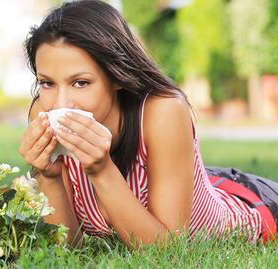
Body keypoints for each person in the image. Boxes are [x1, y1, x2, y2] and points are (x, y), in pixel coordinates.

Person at [18, 0, 278, 249]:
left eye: (81, 83)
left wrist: (101, 170)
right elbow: (65, 248)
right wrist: (49, 176)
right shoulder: (43, 110)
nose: (61, 103)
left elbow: (165, 250)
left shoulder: (163, 111)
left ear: (117, 75)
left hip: (257, 210)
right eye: (47, 83)